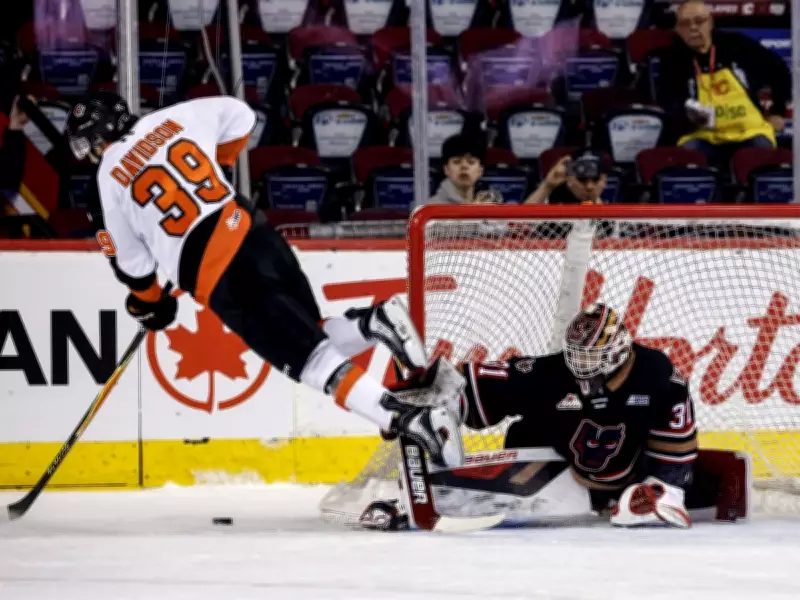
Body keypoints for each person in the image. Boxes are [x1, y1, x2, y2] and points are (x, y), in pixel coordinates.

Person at [64, 92, 464, 468]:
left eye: (90, 144)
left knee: (311, 361)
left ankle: (411, 421)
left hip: (221, 272)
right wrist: (217, 162)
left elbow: (133, 268)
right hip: (253, 231)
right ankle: (374, 323)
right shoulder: (173, 117)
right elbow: (241, 115)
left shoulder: (107, 177)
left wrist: (151, 304)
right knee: (313, 332)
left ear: (99, 138)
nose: (93, 153)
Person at [657, 0, 790, 168]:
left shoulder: (737, 45)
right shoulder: (672, 59)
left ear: (710, 23)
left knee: (760, 157)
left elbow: (779, 70)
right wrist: (685, 118)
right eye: (685, 24)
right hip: (702, 135)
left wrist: (778, 111)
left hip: (749, 132)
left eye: (699, 21)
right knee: (688, 158)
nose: (693, 28)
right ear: (676, 29)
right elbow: (668, 99)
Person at [424, 132, 490, 206]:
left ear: (480, 170)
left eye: (471, 162)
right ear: (446, 169)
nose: (464, 166)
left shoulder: (490, 206)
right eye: (457, 162)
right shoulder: (430, 208)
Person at [524, 148, 607, 205]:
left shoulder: (611, 202)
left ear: (604, 180)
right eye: (582, 179)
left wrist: (595, 200)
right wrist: (547, 185)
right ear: (569, 178)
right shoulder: (550, 198)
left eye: (596, 179)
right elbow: (521, 223)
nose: (589, 186)